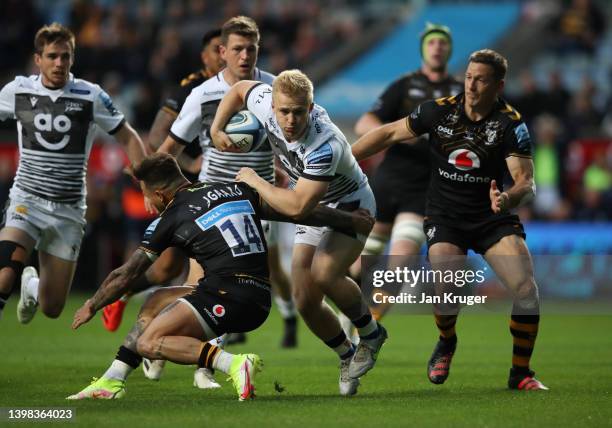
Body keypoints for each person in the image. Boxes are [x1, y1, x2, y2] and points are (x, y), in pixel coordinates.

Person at [67, 153, 374, 401]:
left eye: (149, 197)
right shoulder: (232, 189)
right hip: (255, 294)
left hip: (228, 297)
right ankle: (113, 379)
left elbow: (125, 274)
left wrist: (92, 305)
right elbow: (298, 213)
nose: (151, 205)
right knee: (155, 299)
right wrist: (348, 220)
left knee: (150, 343)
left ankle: (233, 364)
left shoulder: (170, 218)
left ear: (160, 193)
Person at [352, 49, 548, 391]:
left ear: (498, 85)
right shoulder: (439, 111)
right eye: (469, 77)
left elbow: (526, 182)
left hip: (492, 217)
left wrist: (508, 198)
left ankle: (521, 373)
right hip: (445, 216)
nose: (471, 85)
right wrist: (342, 160)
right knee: (447, 289)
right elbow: (387, 134)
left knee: (526, 289)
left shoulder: (510, 123)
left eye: (481, 79)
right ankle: (447, 341)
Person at [210, 70, 388, 396]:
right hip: (309, 198)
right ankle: (347, 355)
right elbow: (238, 89)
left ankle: (371, 333)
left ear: (311, 107)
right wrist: (216, 127)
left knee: (324, 273)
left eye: (298, 111)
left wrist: (256, 179)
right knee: (303, 297)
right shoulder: (265, 102)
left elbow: (296, 209)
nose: (290, 120)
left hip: (350, 206)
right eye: (284, 111)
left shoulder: (325, 145)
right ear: (273, 105)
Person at [157, 16, 299, 350]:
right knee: (199, 283)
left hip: (258, 202)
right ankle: (165, 341)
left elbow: (293, 138)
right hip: (211, 200)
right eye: (237, 49)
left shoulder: (275, 89)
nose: (245, 56)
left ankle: (179, 345)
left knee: (248, 280)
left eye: (251, 49)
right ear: (222, 51)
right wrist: (154, 186)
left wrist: (286, 169)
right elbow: (169, 150)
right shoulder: (202, 95)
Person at [0, 23, 146, 323]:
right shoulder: (18, 90)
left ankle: (32, 286)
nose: (59, 63)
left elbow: (128, 137)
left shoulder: (90, 96)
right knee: (3, 276)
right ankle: (17, 281)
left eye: (65, 57)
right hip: (27, 199)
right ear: (37, 59)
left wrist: (146, 184)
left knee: (52, 307)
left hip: (68, 210)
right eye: (52, 56)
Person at [101, 28, 224, 340]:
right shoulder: (192, 88)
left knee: (175, 270)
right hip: (190, 188)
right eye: (217, 49)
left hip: (225, 184)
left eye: (229, 48)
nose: (225, 55)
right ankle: (161, 345)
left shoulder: (248, 87)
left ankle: (134, 309)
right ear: (204, 56)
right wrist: (188, 164)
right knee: (176, 269)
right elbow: (156, 136)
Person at [348, 23, 462, 326]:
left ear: (449, 49)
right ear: (423, 48)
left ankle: (368, 326)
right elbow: (364, 123)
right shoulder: (404, 84)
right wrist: (401, 133)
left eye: (442, 42)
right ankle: (351, 313)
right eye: (432, 42)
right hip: (388, 182)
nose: (437, 47)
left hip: (425, 188)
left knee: (401, 263)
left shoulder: (459, 92)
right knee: (359, 263)